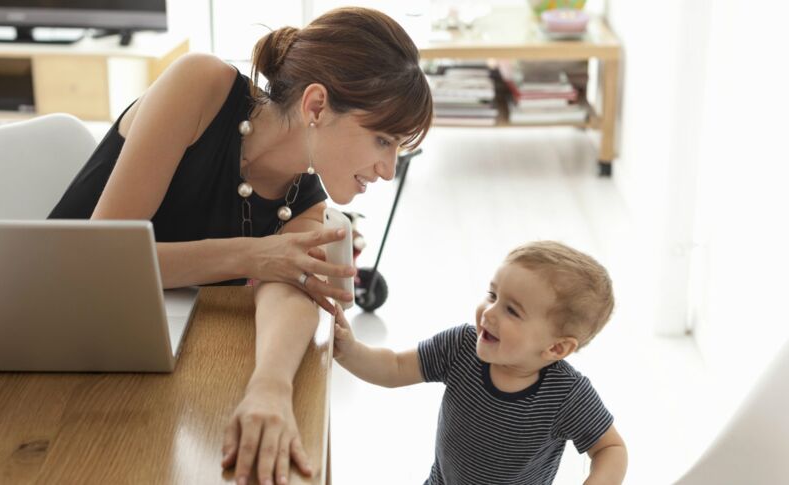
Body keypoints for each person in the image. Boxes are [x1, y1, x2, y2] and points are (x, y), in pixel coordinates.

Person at [48, 6, 432, 485]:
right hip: (49, 333)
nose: (389, 169)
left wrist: (269, 388)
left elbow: (287, 292)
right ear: (316, 107)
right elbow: (98, 260)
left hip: (136, 357)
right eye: (382, 140)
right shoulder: (201, 86)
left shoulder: (304, 202)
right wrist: (254, 256)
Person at [332, 241, 628, 484]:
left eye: (512, 311)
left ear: (556, 347)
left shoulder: (566, 394)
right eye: (492, 295)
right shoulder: (462, 346)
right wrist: (349, 350)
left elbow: (611, 448)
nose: (489, 313)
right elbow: (396, 367)